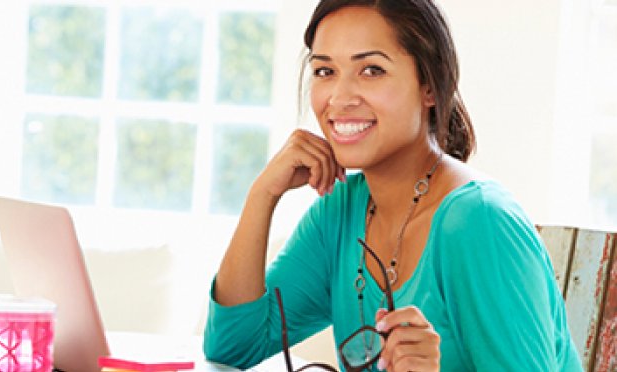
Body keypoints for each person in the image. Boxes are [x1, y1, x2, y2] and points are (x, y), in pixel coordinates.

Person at [203, 0, 582, 371]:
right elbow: (233, 348)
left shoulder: (479, 221)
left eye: (371, 70)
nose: (339, 98)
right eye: (324, 71)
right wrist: (262, 196)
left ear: (430, 86)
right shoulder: (340, 212)